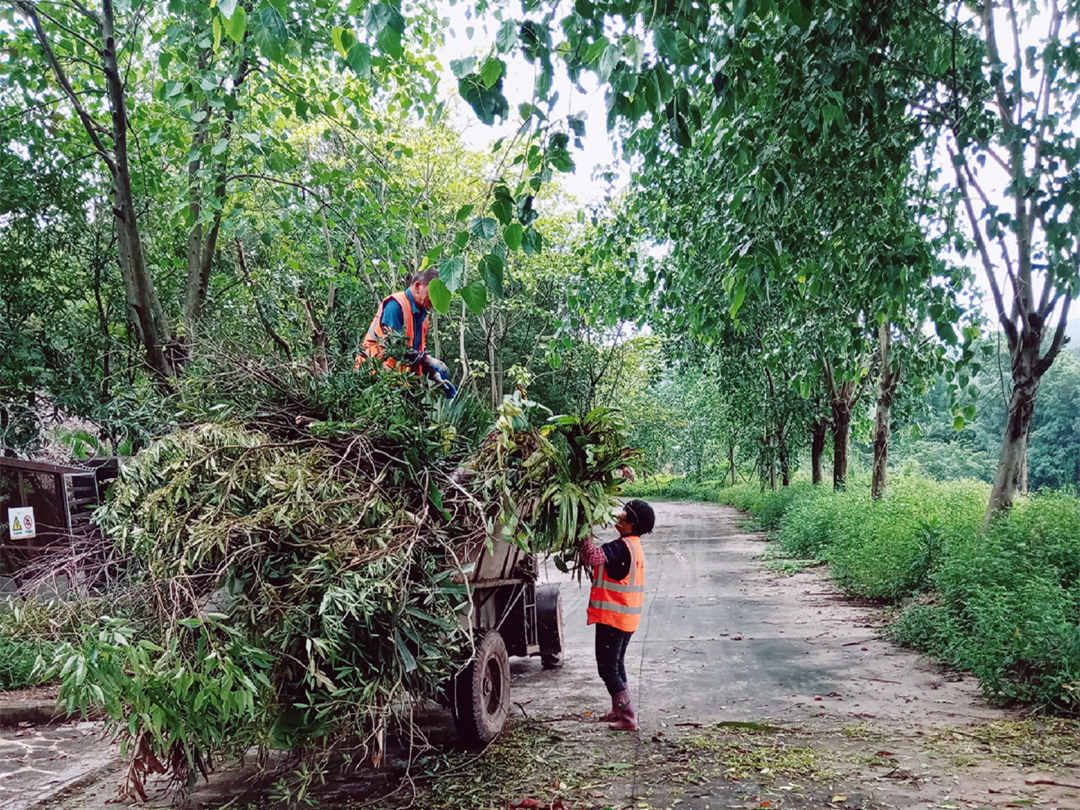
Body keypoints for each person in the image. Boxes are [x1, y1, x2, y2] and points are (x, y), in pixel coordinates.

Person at [579, 499, 655, 731]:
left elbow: (592, 557)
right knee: (617, 664)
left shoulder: (621, 547)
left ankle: (628, 717)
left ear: (631, 522)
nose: (618, 516)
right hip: (626, 618)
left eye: (623, 514)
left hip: (613, 618)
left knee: (607, 668)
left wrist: (583, 531)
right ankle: (619, 710)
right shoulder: (632, 545)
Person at [356, 269, 456, 398]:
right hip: (375, 378)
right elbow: (393, 347)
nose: (435, 299)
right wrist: (429, 360)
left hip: (400, 383)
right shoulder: (396, 305)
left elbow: (416, 353)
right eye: (433, 292)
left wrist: (434, 375)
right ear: (418, 286)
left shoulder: (423, 317)